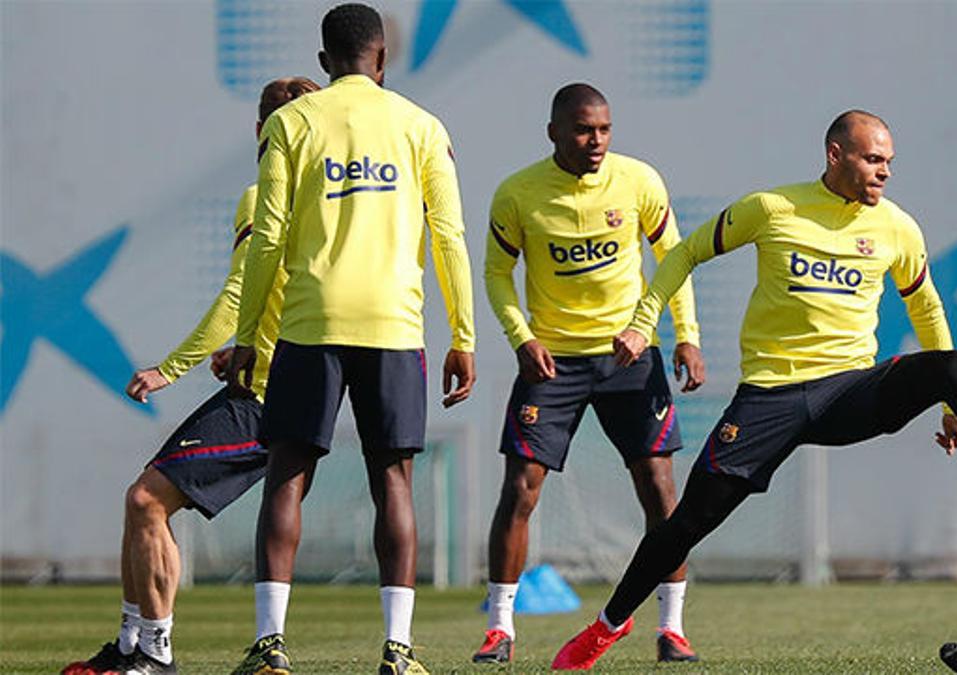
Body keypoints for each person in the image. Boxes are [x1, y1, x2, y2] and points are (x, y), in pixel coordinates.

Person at [550, 110, 957, 670]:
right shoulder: (771, 209)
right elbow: (684, 252)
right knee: (687, 523)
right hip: (770, 397)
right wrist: (645, 324)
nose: (884, 172)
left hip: (848, 393)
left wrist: (951, 405)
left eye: (889, 161)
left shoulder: (897, 227)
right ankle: (607, 626)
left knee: (949, 365)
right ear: (836, 155)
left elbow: (926, 306)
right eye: (872, 159)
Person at [225, 4, 475, 675]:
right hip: (393, 323)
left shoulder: (291, 122)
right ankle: (399, 649)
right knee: (392, 478)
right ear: (383, 58)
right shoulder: (422, 126)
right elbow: (448, 235)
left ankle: (269, 646)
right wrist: (465, 335)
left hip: (310, 323)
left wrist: (248, 334)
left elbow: (269, 237)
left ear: (323, 61)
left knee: (287, 476)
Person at [60, 78, 320, 675]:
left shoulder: (265, 197)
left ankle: (155, 653)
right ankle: (130, 646)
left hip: (267, 399)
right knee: (143, 503)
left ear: (264, 132)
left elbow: (237, 292)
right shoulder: (324, 202)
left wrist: (168, 368)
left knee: (148, 500)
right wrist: (246, 345)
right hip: (284, 383)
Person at [474, 83, 705, 665]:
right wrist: (521, 337)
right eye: (582, 130)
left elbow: (673, 259)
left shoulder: (639, 181)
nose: (595, 140)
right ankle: (499, 629)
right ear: (553, 131)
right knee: (520, 488)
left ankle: (671, 629)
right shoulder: (518, 193)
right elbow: (497, 274)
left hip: (631, 357)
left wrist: (686, 336)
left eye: (604, 129)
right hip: (551, 361)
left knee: (660, 490)